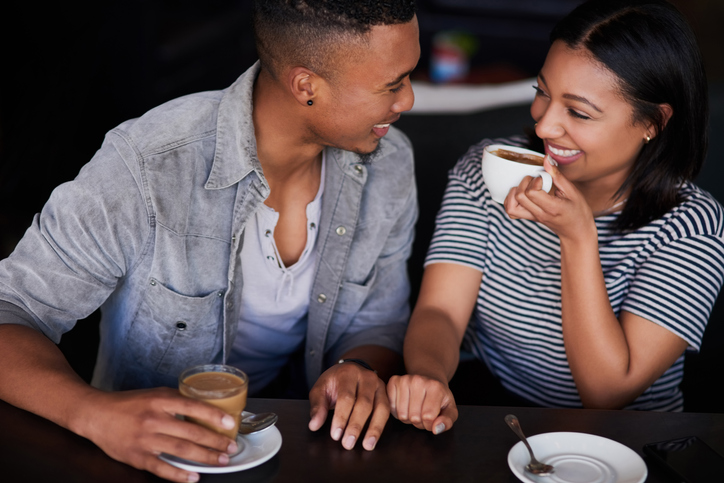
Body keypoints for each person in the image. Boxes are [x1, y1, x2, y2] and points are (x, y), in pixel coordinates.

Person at [0, 0, 419, 481]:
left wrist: (358, 364)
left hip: (308, 451)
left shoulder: (388, 162)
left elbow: (381, 320)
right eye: (393, 84)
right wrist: (92, 413)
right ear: (307, 86)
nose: (408, 100)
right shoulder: (148, 165)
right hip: (150, 459)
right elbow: (11, 308)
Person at [388, 0, 724, 435]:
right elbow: (441, 312)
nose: (545, 126)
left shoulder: (689, 225)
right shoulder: (488, 170)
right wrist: (431, 378)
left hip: (626, 441)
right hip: (498, 418)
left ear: (653, 122)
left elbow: (606, 393)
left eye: (579, 112)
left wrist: (578, 238)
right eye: (542, 92)